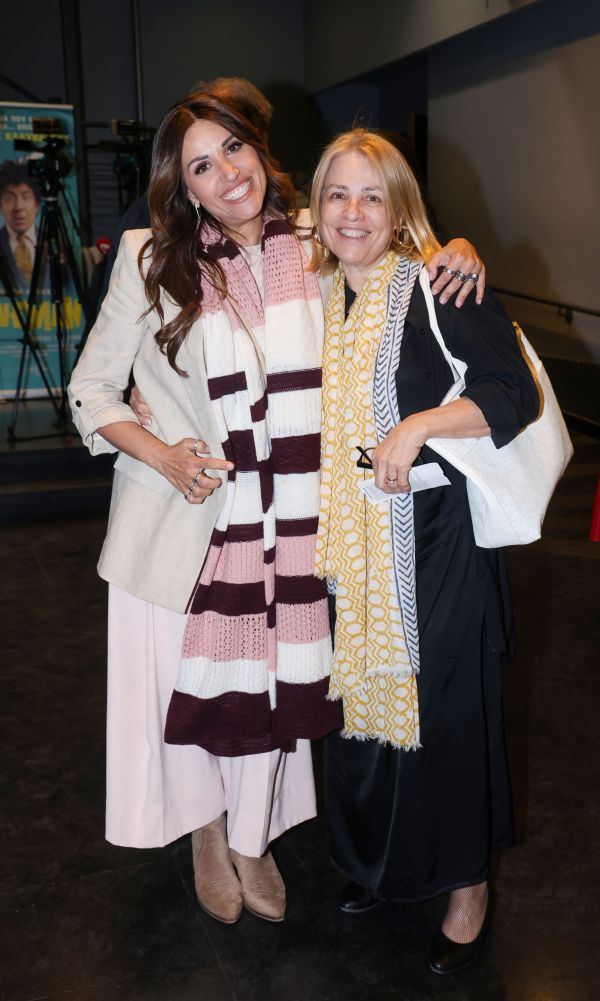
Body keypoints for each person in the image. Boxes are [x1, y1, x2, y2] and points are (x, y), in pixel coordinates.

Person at [69, 85, 485, 929]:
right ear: (182, 186)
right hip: (189, 521)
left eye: (233, 148)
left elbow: (397, 254)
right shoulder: (152, 256)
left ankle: (252, 835)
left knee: (269, 693)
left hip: (296, 524)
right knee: (196, 693)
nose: (226, 173)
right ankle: (206, 831)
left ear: (257, 148)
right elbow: (91, 388)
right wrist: (161, 450)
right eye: (200, 166)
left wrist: (459, 247)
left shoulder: (314, 240)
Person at [310, 129, 539, 973]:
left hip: (438, 541)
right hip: (353, 539)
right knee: (362, 714)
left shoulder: (441, 284)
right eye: (337, 193)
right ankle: (383, 864)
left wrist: (419, 425)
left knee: (447, 716)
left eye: (373, 195)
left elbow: (511, 394)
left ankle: (466, 889)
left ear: (400, 206)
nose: (353, 212)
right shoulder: (319, 293)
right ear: (315, 207)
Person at [0, 161, 41, 292]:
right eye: (9, 198)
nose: (18, 207)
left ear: (37, 205)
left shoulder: (55, 243)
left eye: (26, 197)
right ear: (0, 205)